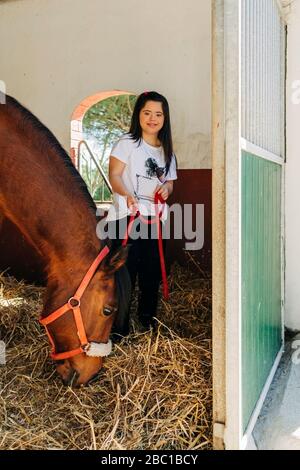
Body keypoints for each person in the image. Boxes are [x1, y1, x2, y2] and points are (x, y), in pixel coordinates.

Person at [106, 91, 177, 332]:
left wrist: (167, 188)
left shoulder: (167, 152)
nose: (152, 118)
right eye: (147, 112)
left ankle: (147, 324)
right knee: (125, 275)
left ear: (165, 118)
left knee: (151, 274)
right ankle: (119, 329)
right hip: (126, 218)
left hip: (155, 221)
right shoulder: (126, 143)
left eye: (158, 114)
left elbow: (170, 182)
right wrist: (126, 195)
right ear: (139, 115)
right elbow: (114, 175)